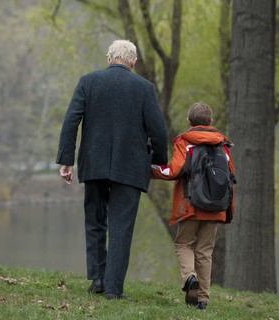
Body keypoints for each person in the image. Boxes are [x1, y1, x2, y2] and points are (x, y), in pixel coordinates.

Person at [56, 39, 168, 300]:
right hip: (129, 167)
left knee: (95, 221)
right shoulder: (144, 88)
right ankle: (114, 290)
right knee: (121, 226)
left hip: (93, 162)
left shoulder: (88, 81)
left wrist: (66, 160)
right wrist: (159, 162)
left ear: (109, 59)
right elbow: (159, 131)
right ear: (133, 62)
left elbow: (71, 119)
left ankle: (97, 279)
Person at [151, 102, 235, 310]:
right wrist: (227, 212)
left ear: (189, 121)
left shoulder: (186, 142)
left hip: (190, 205)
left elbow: (175, 170)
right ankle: (203, 300)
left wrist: (150, 168)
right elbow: (230, 181)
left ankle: (190, 277)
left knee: (183, 244)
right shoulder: (223, 145)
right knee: (205, 252)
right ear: (211, 122)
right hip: (216, 208)